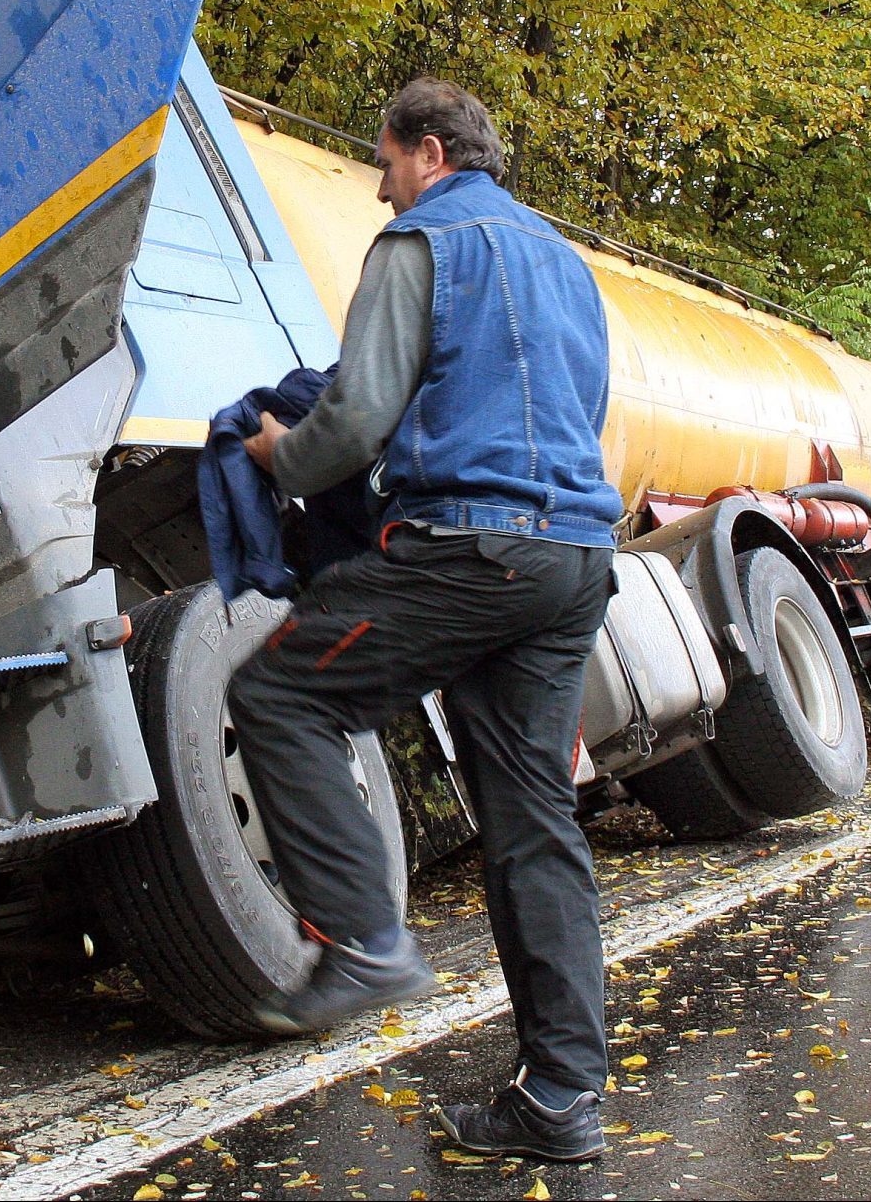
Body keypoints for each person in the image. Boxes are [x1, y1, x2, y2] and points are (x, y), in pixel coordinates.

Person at [227, 78, 624, 1164]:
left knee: (278, 691)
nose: (379, 184)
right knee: (531, 819)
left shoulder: (421, 246)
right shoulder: (566, 263)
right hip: (572, 559)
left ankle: (362, 939)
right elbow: (588, 418)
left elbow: (355, 415)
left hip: (468, 549)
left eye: (387, 162)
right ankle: (558, 1100)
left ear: (432, 154)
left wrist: (277, 455)